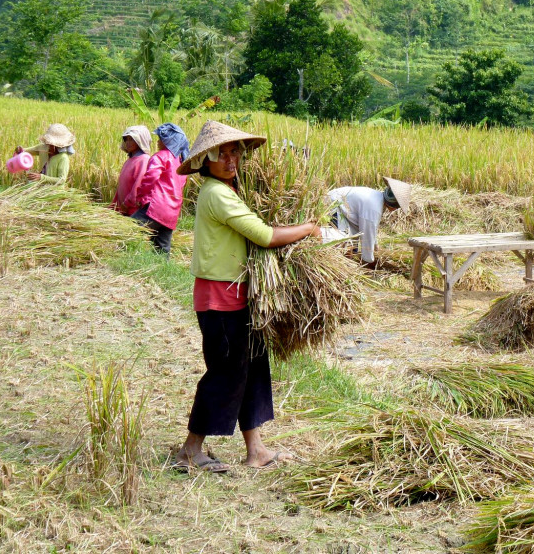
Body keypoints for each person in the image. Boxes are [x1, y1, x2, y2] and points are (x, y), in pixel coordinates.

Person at [172, 120, 319, 473]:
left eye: (234, 151)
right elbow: (263, 235)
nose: (230, 158)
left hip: (240, 296)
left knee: (251, 370)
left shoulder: (230, 190)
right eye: (221, 153)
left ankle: (257, 450)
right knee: (225, 373)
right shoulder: (216, 193)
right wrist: (309, 228)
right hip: (219, 299)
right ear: (205, 160)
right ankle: (190, 449)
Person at [131, 123, 190, 255]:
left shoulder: (160, 156)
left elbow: (150, 177)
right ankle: (163, 269)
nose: (158, 142)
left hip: (155, 208)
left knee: (129, 230)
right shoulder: (180, 162)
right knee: (162, 248)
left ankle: (121, 259)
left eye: (160, 139)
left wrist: (141, 197)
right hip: (172, 211)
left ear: (169, 141)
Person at [326, 178, 412, 266]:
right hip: (334, 203)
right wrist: (369, 260)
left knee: (352, 246)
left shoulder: (378, 198)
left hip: (346, 208)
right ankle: (339, 266)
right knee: (343, 242)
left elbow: (371, 229)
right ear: (393, 205)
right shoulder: (374, 208)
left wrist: (375, 247)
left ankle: (347, 265)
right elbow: (367, 234)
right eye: (397, 207)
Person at [111, 126, 151, 216]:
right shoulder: (129, 160)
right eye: (126, 139)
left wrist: (126, 204)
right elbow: (121, 186)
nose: (128, 143)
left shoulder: (143, 160)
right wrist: (114, 205)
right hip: (123, 210)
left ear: (140, 141)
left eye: (132, 140)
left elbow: (138, 185)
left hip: (133, 212)